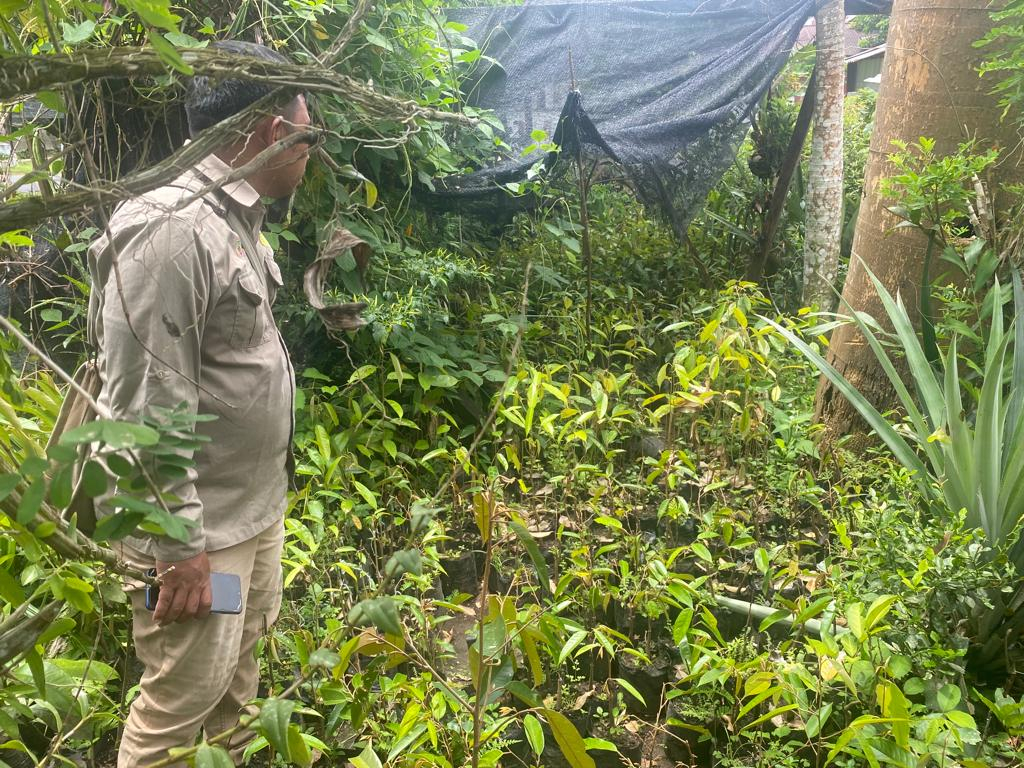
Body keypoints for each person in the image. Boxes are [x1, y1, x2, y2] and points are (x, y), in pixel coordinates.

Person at [87, 40, 312, 767]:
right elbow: (144, 405)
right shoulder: (172, 229)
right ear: (274, 131)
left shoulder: (233, 215)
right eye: (308, 137)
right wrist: (179, 547)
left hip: (248, 513)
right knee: (181, 700)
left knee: (236, 691)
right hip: (198, 532)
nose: (310, 154)